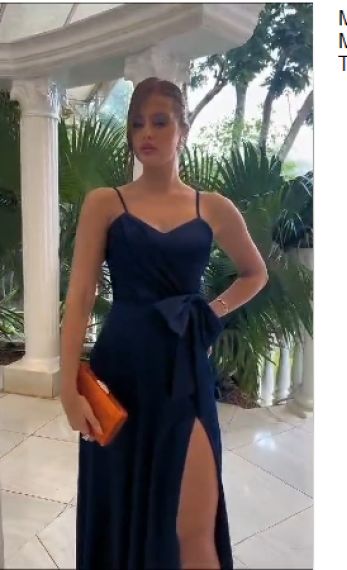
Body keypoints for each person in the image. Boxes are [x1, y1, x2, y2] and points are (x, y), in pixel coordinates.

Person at [60, 76, 268, 569]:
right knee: (121, 508)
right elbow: (81, 295)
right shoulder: (105, 202)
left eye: (159, 122)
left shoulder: (212, 206)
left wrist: (210, 311)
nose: (147, 133)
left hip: (184, 373)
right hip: (121, 371)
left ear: (183, 130)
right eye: (137, 124)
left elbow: (255, 273)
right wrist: (68, 388)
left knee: (195, 526)